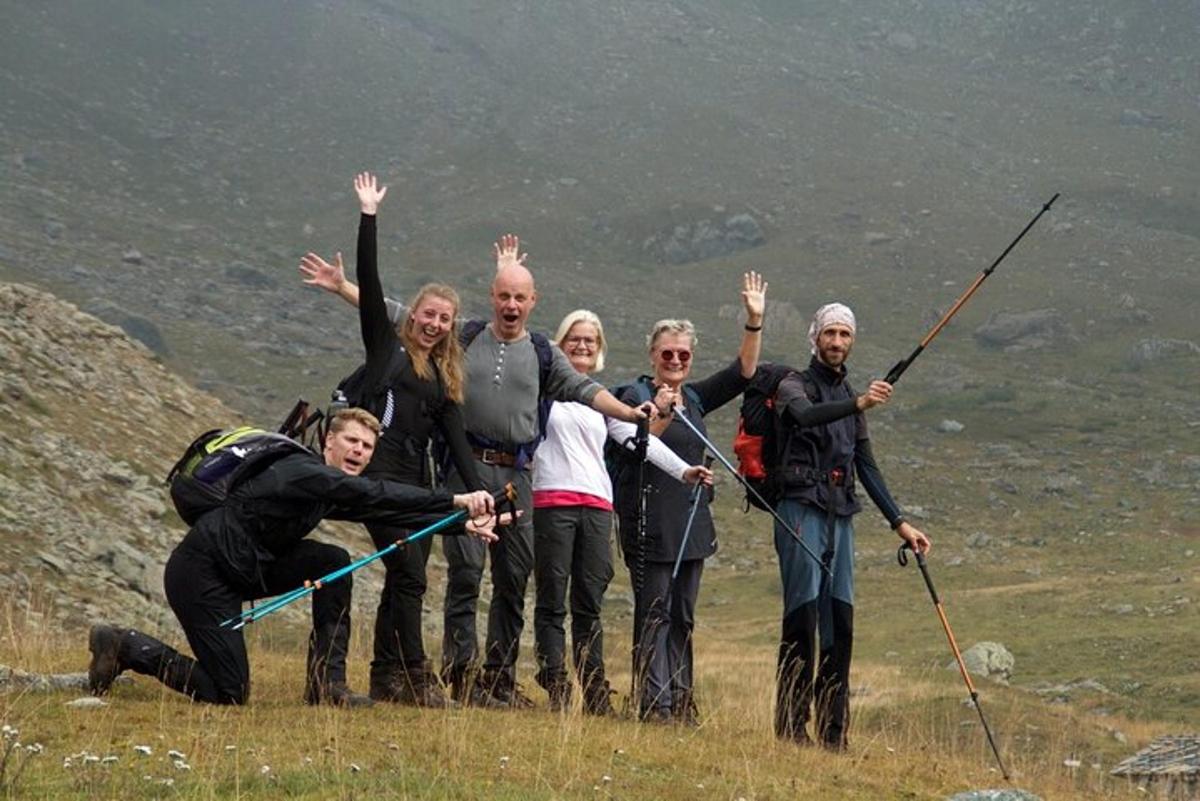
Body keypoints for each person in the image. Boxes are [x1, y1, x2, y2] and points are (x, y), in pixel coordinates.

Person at [299, 217, 647, 706]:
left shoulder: (545, 353)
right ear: (492, 297)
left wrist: (631, 412)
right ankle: (456, 674)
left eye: (519, 298)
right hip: (464, 469)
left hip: (516, 474)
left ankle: (496, 680)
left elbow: (588, 391)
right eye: (503, 296)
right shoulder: (464, 335)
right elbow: (396, 313)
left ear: (532, 302)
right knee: (461, 573)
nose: (510, 305)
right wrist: (342, 287)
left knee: (511, 575)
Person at [86, 408, 500, 708]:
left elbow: (382, 509)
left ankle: (327, 685)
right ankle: (126, 645)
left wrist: (459, 524)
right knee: (229, 692)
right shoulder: (305, 473)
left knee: (333, 562)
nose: (359, 451)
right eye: (351, 441)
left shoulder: (324, 487)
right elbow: (375, 495)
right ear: (328, 442)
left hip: (247, 567)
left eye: (367, 446)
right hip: (202, 575)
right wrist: (456, 498)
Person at [299, 172, 484, 708]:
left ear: (451, 328)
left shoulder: (447, 379)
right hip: (376, 471)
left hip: (414, 480)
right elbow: (372, 284)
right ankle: (417, 674)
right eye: (428, 314)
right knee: (406, 570)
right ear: (414, 316)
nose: (434, 324)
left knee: (411, 578)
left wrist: (481, 499)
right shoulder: (386, 348)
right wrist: (368, 216)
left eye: (445, 320)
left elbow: (458, 443)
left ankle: (389, 675)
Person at [532, 310, 713, 714]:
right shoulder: (542, 391)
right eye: (574, 339)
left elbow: (635, 439)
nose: (582, 346)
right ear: (560, 344)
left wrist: (683, 471)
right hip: (552, 500)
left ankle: (594, 691)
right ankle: (556, 682)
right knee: (552, 600)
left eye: (590, 341)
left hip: (597, 503)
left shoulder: (600, 397)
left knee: (589, 601)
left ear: (599, 350)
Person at [771, 302, 931, 750]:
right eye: (830, 334)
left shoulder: (852, 398)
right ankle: (790, 729)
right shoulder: (792, 385)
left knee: (840, 624)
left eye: (844, 334)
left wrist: (901, 523)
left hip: (841, 513)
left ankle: (833, 734)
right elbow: (802, 416)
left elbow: (867, 465)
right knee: (801, 619)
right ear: (815, 338)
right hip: (800, 508)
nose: (837, 342)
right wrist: (857, 402)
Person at [613, 272, 767, 724]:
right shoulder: (632, 394)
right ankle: (653, 704)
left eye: (683, 354)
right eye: (667, 353)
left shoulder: (696, 396)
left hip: (692, 523)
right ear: (652, 355)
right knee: (654, 613)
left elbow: (744, 374)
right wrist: (660, 410)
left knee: (683, 615)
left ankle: (681, 699)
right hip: (649, 520)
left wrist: (754, 322)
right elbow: (635, 447)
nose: (675, 360)